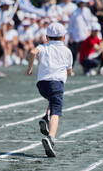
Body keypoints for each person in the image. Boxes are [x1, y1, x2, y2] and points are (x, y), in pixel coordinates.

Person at [26, 23, 73, 157]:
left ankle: (45, 118)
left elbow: (32, 52)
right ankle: (51, 138)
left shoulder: (43, 47)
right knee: (57, 110)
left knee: (52, 101)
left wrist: (30, 68)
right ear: (64, 37)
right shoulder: (67, 51)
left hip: (41, 85)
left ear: (47, 37)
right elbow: (69, 72)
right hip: (56, 83)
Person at [67, 0, 93, 67]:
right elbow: (71, 26)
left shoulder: (87, 11)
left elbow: (89, 24)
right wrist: (71, 37)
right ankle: (71, 68)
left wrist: (89, 33)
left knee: (86, 54)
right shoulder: (74, 13)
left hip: (85, 36)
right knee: (74, 53)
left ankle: (87, 68)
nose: (85, 4)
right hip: (76, 36)